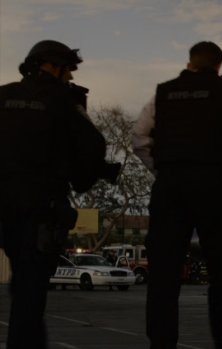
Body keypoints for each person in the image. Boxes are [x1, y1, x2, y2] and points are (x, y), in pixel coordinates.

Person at [132, 41, 222, 349]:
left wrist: (160, 172)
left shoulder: (162, 94)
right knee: (221, 273)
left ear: (189, 62)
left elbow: (139, 137)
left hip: (169, 190)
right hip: (210, 186)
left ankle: (161, 343)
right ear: (218, 65)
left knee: (163, 276)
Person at [1, 39, 117, 349]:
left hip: (5, 208)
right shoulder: (64, 99)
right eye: (68, 70)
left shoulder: (3, 95)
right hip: (41, 210)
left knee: (23, 289)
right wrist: (81, 178)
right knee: (29, 294)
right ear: (52, 65)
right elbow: (94, 147)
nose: (70, 77)